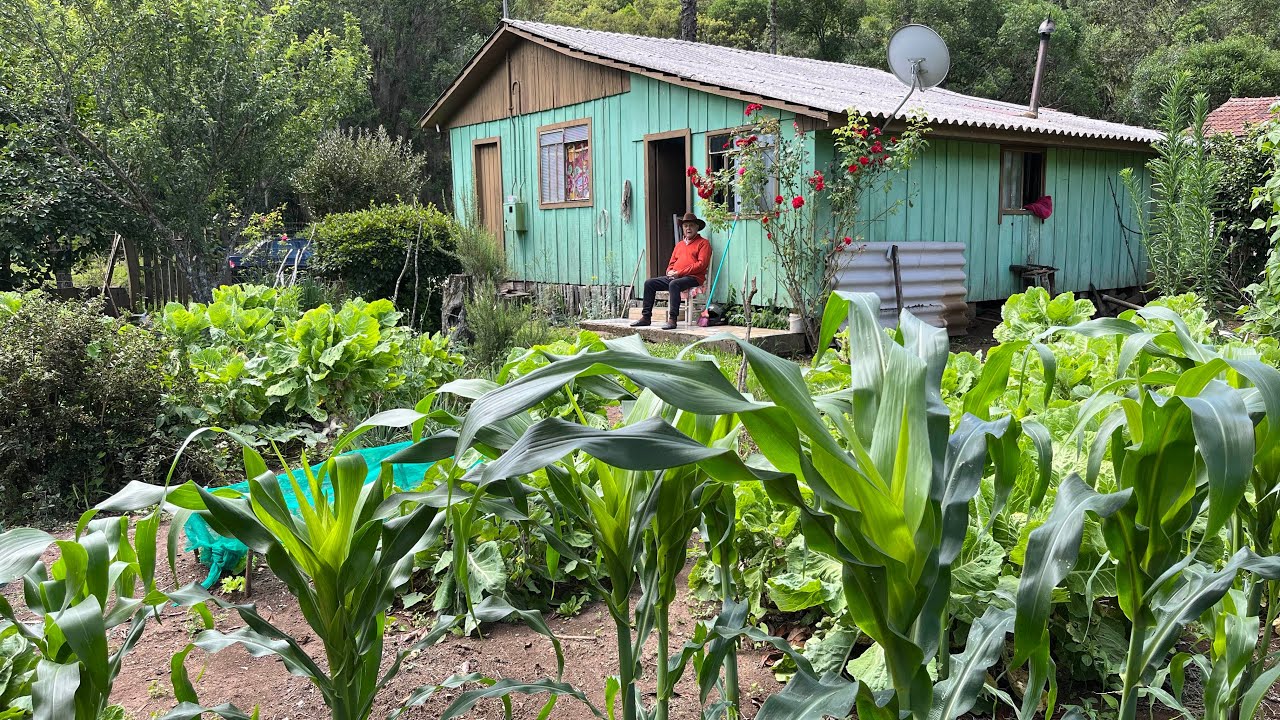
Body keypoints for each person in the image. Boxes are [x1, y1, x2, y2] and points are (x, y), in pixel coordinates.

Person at [631, 211, 712, 330]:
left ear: (697, 227)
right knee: (649, 283)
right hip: (676, 277)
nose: (688, 228)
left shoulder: (703, 243)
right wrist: (670, 272)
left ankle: (672, 319)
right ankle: (646, 317)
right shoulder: (679, 245)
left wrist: (680, 273)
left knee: (674, 284)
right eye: (685, 226)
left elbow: (701, 264)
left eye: (691, 225)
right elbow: (672, 263)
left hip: (693, 278)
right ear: (683, 228)